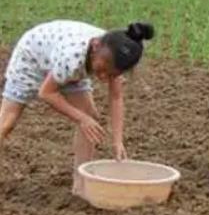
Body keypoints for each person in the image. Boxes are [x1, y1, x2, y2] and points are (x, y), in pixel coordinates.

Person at [0, 20, 154, 196]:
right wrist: (81, 119)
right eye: (101, 70)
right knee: (7, 123)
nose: (103, 77)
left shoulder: (115, 55)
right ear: (95, 46)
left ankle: (80, 186)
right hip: (32, 57)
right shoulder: (73, 57)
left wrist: (117, 141)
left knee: (91, 119)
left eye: (111, 75)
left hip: (72, 68)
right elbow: (47, 93)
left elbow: (116, 97)